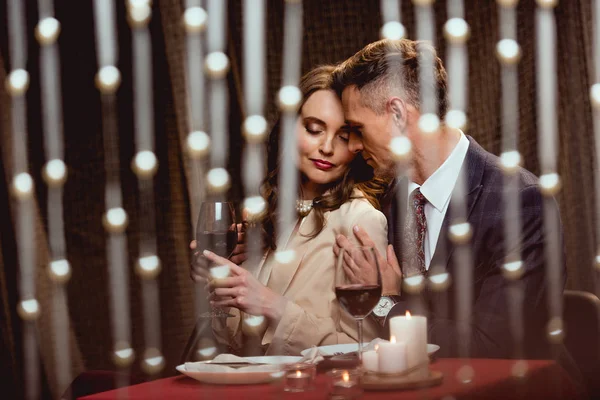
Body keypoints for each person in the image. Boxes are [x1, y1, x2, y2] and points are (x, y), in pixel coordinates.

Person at [331, 38, 565, 359]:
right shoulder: (394, 202)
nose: (354, 145)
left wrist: (386, 301)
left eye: (358, 129)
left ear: (398, 113)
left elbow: (491, 347)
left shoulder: (521, 202)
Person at [190, 65, 391, 356]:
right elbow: (239, 341)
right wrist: (221, 284)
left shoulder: (360, 222)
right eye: (314, 129)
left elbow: (363, 348)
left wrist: (274, 306)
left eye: (344, 136)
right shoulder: (264, 219)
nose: (326, 147)